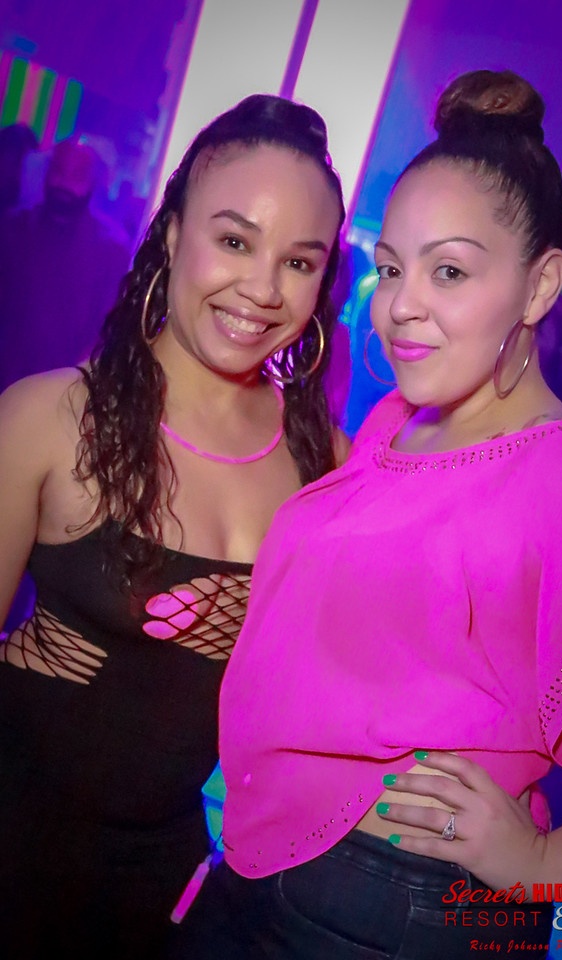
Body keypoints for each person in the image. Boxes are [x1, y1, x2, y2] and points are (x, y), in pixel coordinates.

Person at [174, 71, 562, 959]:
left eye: (449, 271)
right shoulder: (401, 423)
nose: (400, 306)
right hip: (269, 868)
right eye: (391, 268)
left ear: (541, 286)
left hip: (402, 911)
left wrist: (547, 866)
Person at [0, 94, 346, 960]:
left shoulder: (325, 464)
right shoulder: (49, 418)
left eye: (298, 261)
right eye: (234, 241)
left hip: (167, 884)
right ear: (173, 232)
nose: (262, 290)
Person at [0, 137, 131, 391]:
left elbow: (107, 329)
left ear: (93, 183)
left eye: (77, 175)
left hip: (63, 390)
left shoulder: (110, 250)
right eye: (59, 171)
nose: (64, 183)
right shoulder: (13, 229)